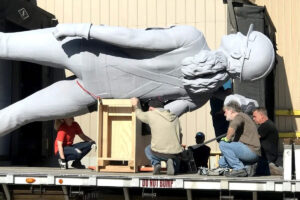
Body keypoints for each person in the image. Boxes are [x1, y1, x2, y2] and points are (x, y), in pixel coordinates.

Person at [0, 23, 275, 136]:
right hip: (92, 93)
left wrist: (85, 28)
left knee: (6, 45)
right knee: (18, 115)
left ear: (242, 54)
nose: (238, 35)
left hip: (87, 53)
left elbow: (135, 39)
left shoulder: (194, 38)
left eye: (243, 39)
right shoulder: (199, 97)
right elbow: (159, 116)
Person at [131, 97, 183, 175]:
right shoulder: (175, 117)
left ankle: (156, 164)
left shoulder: (152, 114)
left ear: (151, 108)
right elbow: (180, 134)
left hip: (158, 152)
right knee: (174, 157)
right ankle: (171, 162)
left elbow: (139, 114)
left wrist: (135, 105)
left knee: (147, 149)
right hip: (174, 153)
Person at [217, 101, 261, 177]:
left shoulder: (239, 116)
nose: (224, 114)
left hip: (250, 151)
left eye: (225, 112)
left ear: (231, 111)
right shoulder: (244, 118)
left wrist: (227, 138)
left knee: (222, 144)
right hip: (253, 153)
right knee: (222, 162)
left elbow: (233, 126)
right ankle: (247, 168)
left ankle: (239, 169)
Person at [252, 107, 282, 175]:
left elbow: (253, 140)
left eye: (255, 116)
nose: (253, 119)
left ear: (262, 116)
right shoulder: (268, 124)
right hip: (268, 160)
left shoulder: (266, 125)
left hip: (266, 160)